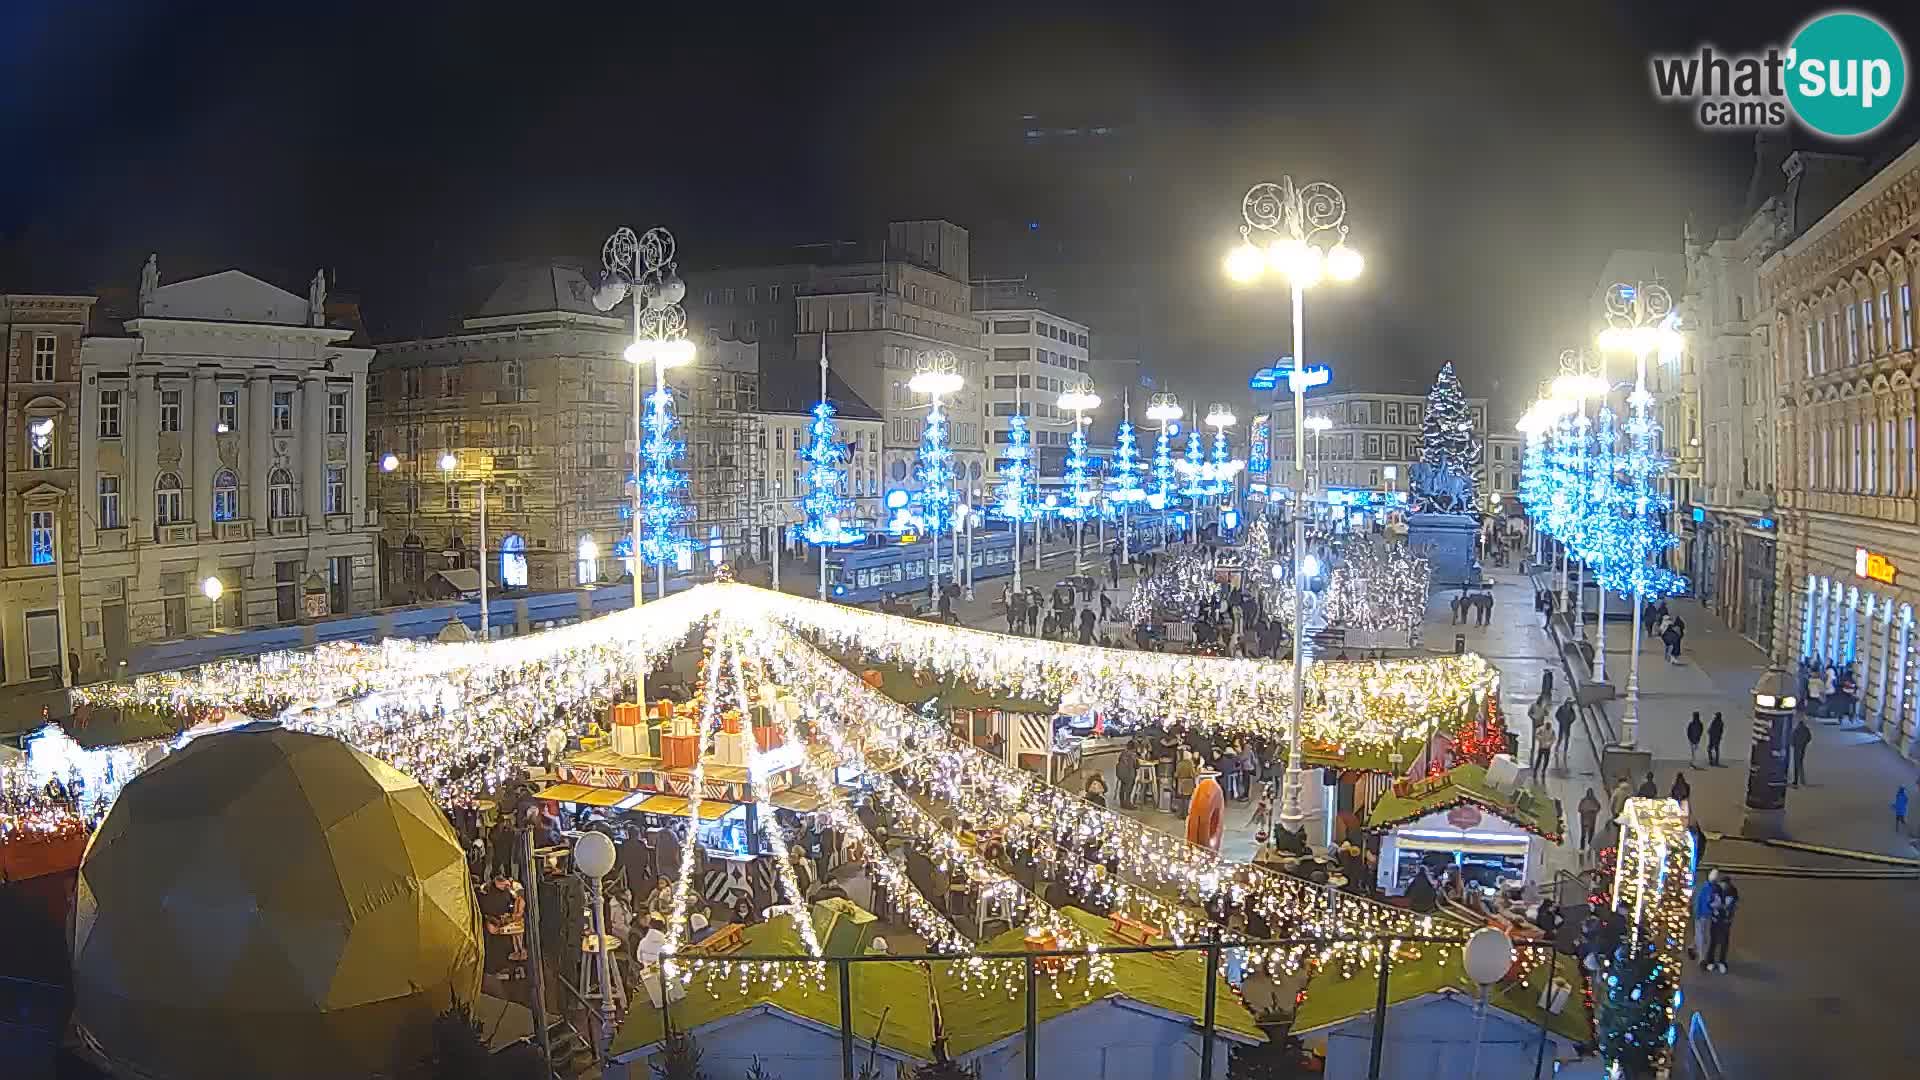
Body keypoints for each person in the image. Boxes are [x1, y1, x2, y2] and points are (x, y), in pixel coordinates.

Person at [1705, 873, 1739, 973]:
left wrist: (1730, 911)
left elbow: (1734, 905)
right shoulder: (1715, 890)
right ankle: (1710, 962)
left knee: (1724, 943)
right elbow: (1709, 903)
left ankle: (1722, 962)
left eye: (1725, 884)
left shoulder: (1733, 891)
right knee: (1713, 942)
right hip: (1715, 919)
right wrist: (1715, 906)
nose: (1724, 886)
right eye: (1722, 884)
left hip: (1726, 921)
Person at [1690, 868, 1719, 961]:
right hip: (1701, 915)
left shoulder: (1714, 888)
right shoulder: (1702, 887)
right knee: (1702, 936)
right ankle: (1701, 958)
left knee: (1702, 935)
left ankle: (1692, 947)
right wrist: (1697, 914)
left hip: (1707, 916)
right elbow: (1697, 901)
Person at [1116, 742, 1139, 809]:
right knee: (1128, 789)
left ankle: (1122, 803)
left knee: (1122, 788)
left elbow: (1119, 760)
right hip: (1129, 773)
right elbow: (1136, 765)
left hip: (1121, 773)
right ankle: (1128, 804)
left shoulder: (1123, 753)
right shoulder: (1133, 755)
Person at [1531, 717, 1554, 784]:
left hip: (1547, 748)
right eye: (1547, 725)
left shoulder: (1552, 731)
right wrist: (1541, 739)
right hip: (1541, 747)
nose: (1548, 726)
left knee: (1546, 760)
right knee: (1539, 759)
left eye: (1549, 725)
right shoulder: (1541, 729)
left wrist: (1549, 743)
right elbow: (1536, 735)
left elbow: (1553, 738)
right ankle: (1535, 770)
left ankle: (1543, 770)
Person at [1791, 717, 1813, 786]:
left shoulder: (1796, 730)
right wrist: (1805, 743)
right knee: (1800, 764)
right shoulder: (1806, 730)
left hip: (1797, 749)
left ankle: (1796, 780)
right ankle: (1802, 780)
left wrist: (1794, 745)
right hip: (1802, 748)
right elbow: (1809, 738)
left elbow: (1792, 738)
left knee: (1796, 765)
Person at [1554, 696, 1576, 764]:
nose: (1570, 705)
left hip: (1567, 726)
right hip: (1562, 725)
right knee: (1560, 738)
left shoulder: (1571, 710)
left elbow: (1574, 717)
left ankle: (1565, 751)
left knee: (1567, 739)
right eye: (1569, 703)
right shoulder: (1561, 708)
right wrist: (1560, 720)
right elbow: (1556, 715)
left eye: (1570, 704)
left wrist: (1570, 721)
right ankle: (1556, 748)